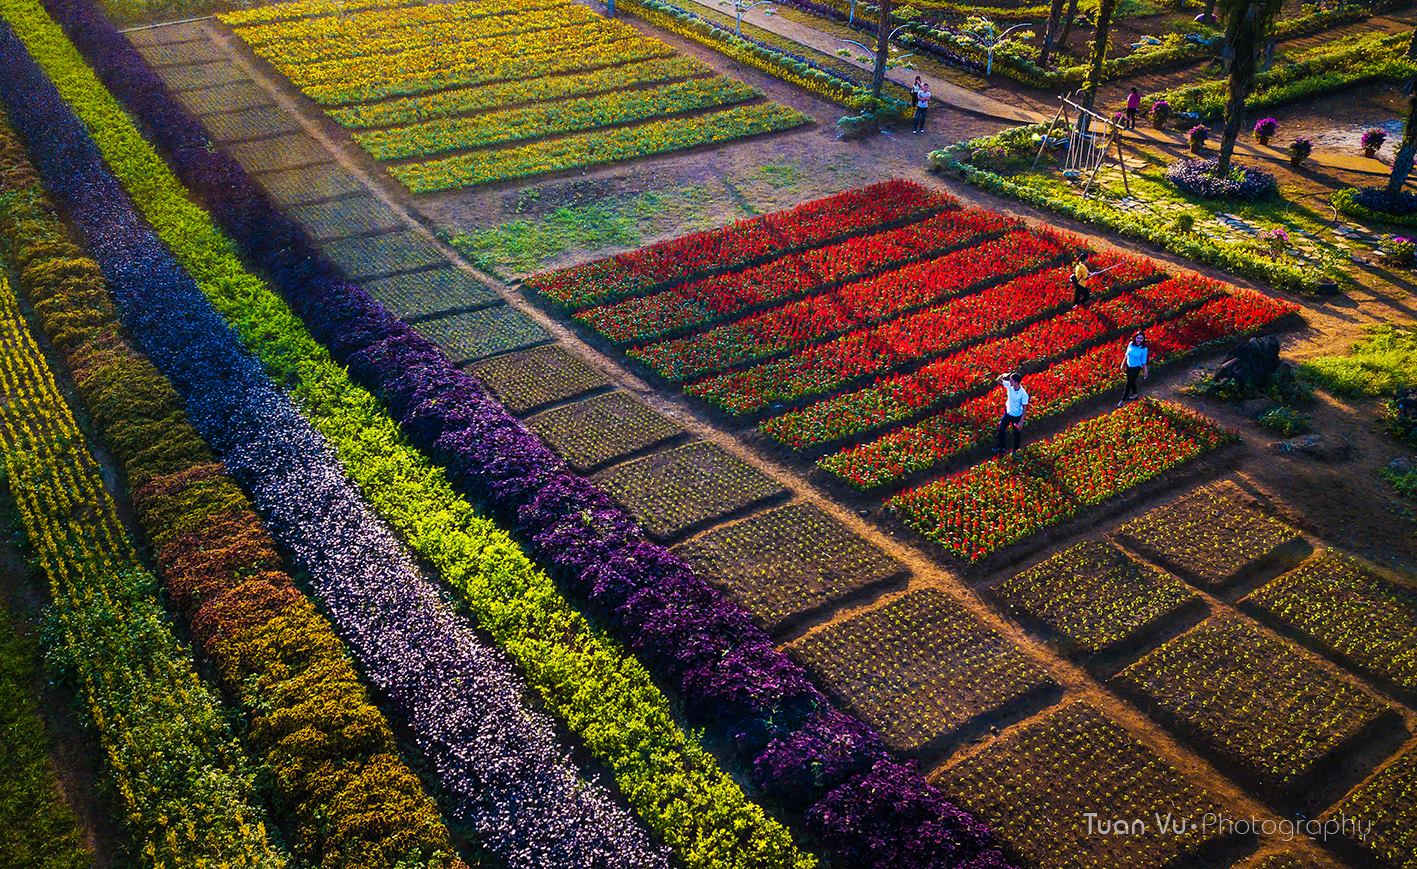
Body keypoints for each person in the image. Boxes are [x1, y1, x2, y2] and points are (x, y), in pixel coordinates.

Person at [995, 372, 1029, 455]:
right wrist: (1003, 375)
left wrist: (1021, 421)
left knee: (1016, 433)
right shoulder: (1010, 386)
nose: (1009, 382)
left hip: (1017, 416)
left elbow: (1024, 408)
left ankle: (1015, 451)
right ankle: (1001, 449)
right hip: (1008, 413)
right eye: (1010, 380)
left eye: (1011, 380)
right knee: (1001, 429)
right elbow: (997, 380)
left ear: (1017, 383)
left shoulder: (1023, 394)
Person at [1117, 332, 1149, 406]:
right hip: (1129, 366)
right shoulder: (1131, 344)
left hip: (1136, 368)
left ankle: (1122, 400)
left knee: (1129, 383)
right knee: (1132, 382)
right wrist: (1123, 364)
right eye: (1138, 338)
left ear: (1143, 339)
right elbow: (1126, 355)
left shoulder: (1144, 349)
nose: (1139, 340)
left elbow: (1144, 362)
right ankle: (1135, 395)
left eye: (1141, 338)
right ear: (1135, 338)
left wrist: (1145, 372)